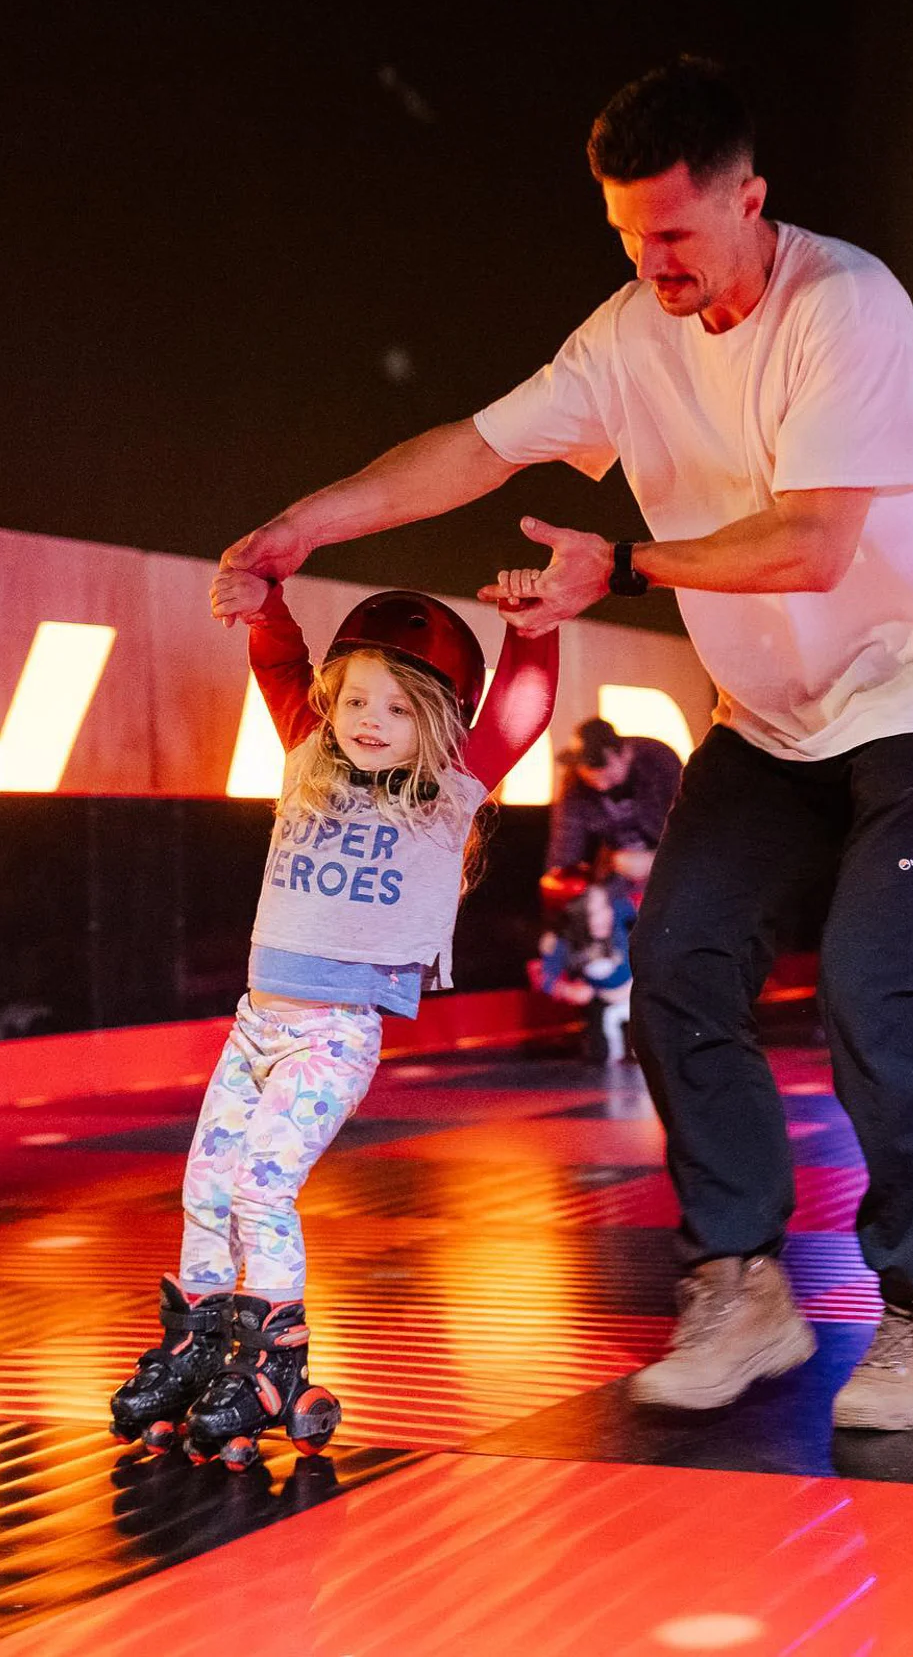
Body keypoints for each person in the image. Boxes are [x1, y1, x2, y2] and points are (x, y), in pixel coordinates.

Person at [219, 57, 913, 1432]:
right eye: (625, 237)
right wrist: (304, 526)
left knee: (871, 986)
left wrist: (627, 568)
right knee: (673, 973)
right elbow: (475, 449)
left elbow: (812, 540)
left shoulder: (849, 310)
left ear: (750, 202)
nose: (651, 264)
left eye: (674, 236)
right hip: (768, 725)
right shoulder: (622, 338)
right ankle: (740, 1284)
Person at [109, 568, 555, 1466]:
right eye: (355, 700)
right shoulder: (309, 756)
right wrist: (264, 608)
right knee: (203, 1189)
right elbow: (281, 666)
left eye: (395, 709)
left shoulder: (452, 787)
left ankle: (276, 1359)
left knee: (262, 1189)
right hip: (254, 1027)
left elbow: (524, 708)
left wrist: (534, 627)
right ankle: (196, 1345)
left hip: (332, 1033)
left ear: (433, 722)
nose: (367, 720)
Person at [548, 717, 683, 892]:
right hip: (615, 877)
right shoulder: (575, 783)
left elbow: (689, 829)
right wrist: (559, 885)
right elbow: (565, 843)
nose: (600, 783)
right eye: (587, 769)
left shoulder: (659, 762)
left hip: (670, 871)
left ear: (624, 753)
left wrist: (655, 861)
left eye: (604, 768)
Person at [532, 878, 637, 1064]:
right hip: (604, 1001)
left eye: (605, 907)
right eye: (592, 912)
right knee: (602, 1054)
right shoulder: (560, 941)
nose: (603, 917)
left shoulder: (621, 911)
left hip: (639, 991)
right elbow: (543, 978)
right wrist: (567, 989)